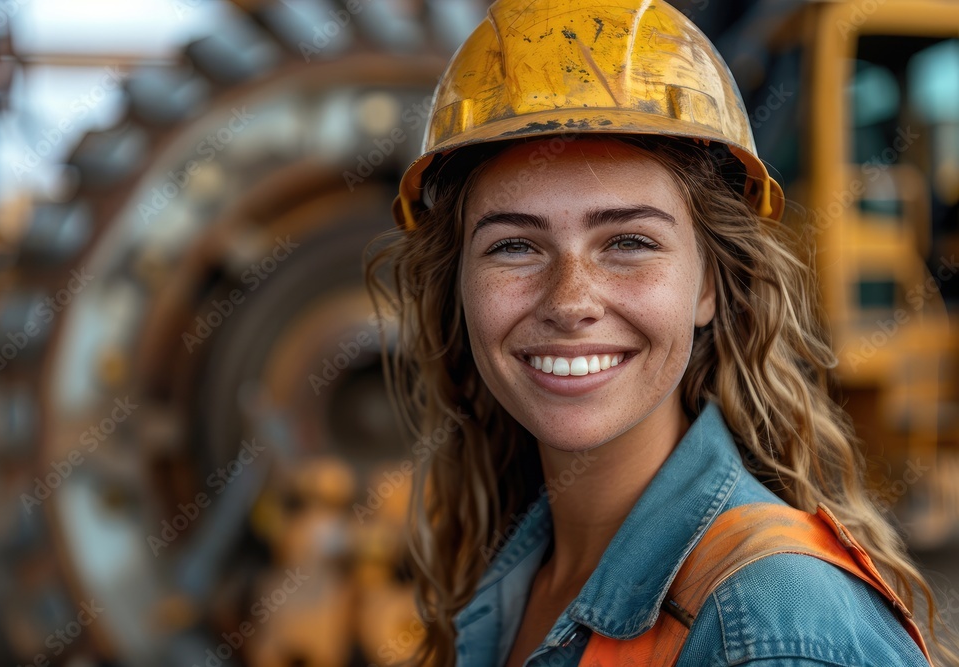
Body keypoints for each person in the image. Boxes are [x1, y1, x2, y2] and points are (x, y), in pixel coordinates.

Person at [366, 0, 953, 665]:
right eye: (513, 247)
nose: (570, 301)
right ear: (459, 288)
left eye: (630, 241)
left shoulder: (773, 628)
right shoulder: (518, 572)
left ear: (709, 284)